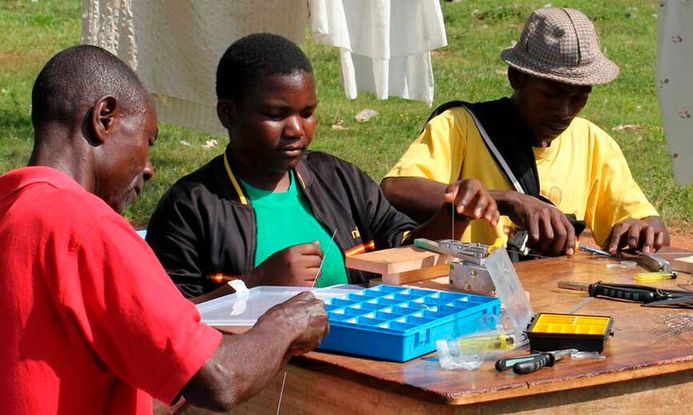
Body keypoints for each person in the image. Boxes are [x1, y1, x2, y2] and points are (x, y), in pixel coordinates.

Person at [0, 45, 329, 414]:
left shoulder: (11, 207)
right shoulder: (89, 228)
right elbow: (219, 379)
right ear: (104, 118)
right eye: (147, 141)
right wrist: (287, 323)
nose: (149, 168)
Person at [146, 33, 498, 300]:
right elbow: (173, 323)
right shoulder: (191, 208)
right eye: (275, 115)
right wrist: (253, 285)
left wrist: (452, 217)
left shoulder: (339, 180)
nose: (296, 130)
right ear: (228, 113)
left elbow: (405, 250)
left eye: (307, 113)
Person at [381, 7, 670, 257]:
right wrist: (506, 200)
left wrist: (644, 230)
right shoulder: (461, 126)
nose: (565, 111)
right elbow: (396, 190)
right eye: (552, 93)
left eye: (579, 96)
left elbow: (652, 226)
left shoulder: (592, 142)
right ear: (516, 77)